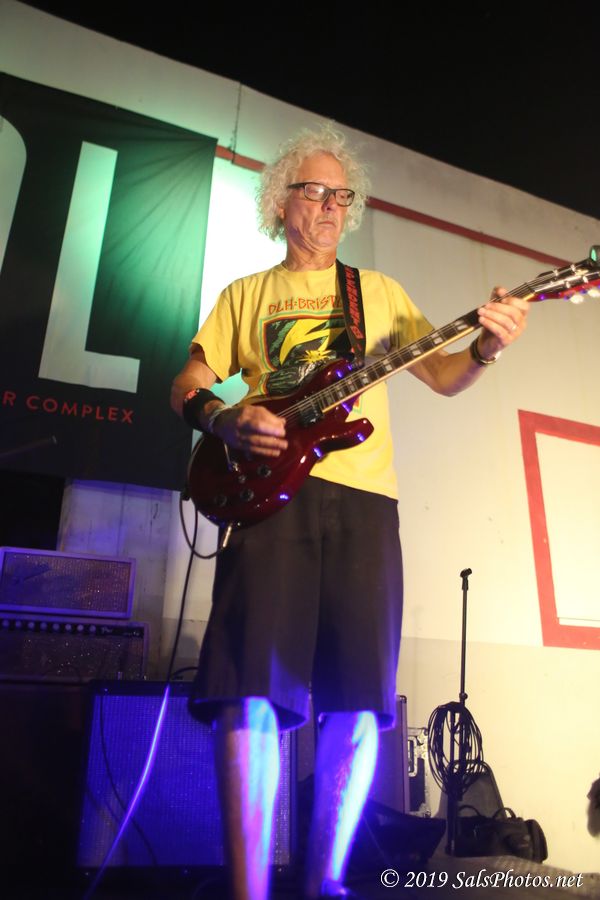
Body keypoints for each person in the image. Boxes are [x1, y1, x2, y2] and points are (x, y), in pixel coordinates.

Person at [171, 124, 528, 900]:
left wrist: (486, 347)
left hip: (366, 504)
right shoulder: (246, 295)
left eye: (343, 194)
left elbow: (444, 374)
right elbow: (189, 382)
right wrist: (225, 420)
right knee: (250, 696)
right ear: (282, 201)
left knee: (361, 702)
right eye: (316, 191)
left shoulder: (381, 295)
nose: (332, 206)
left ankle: (325, 881)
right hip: (266, 501)